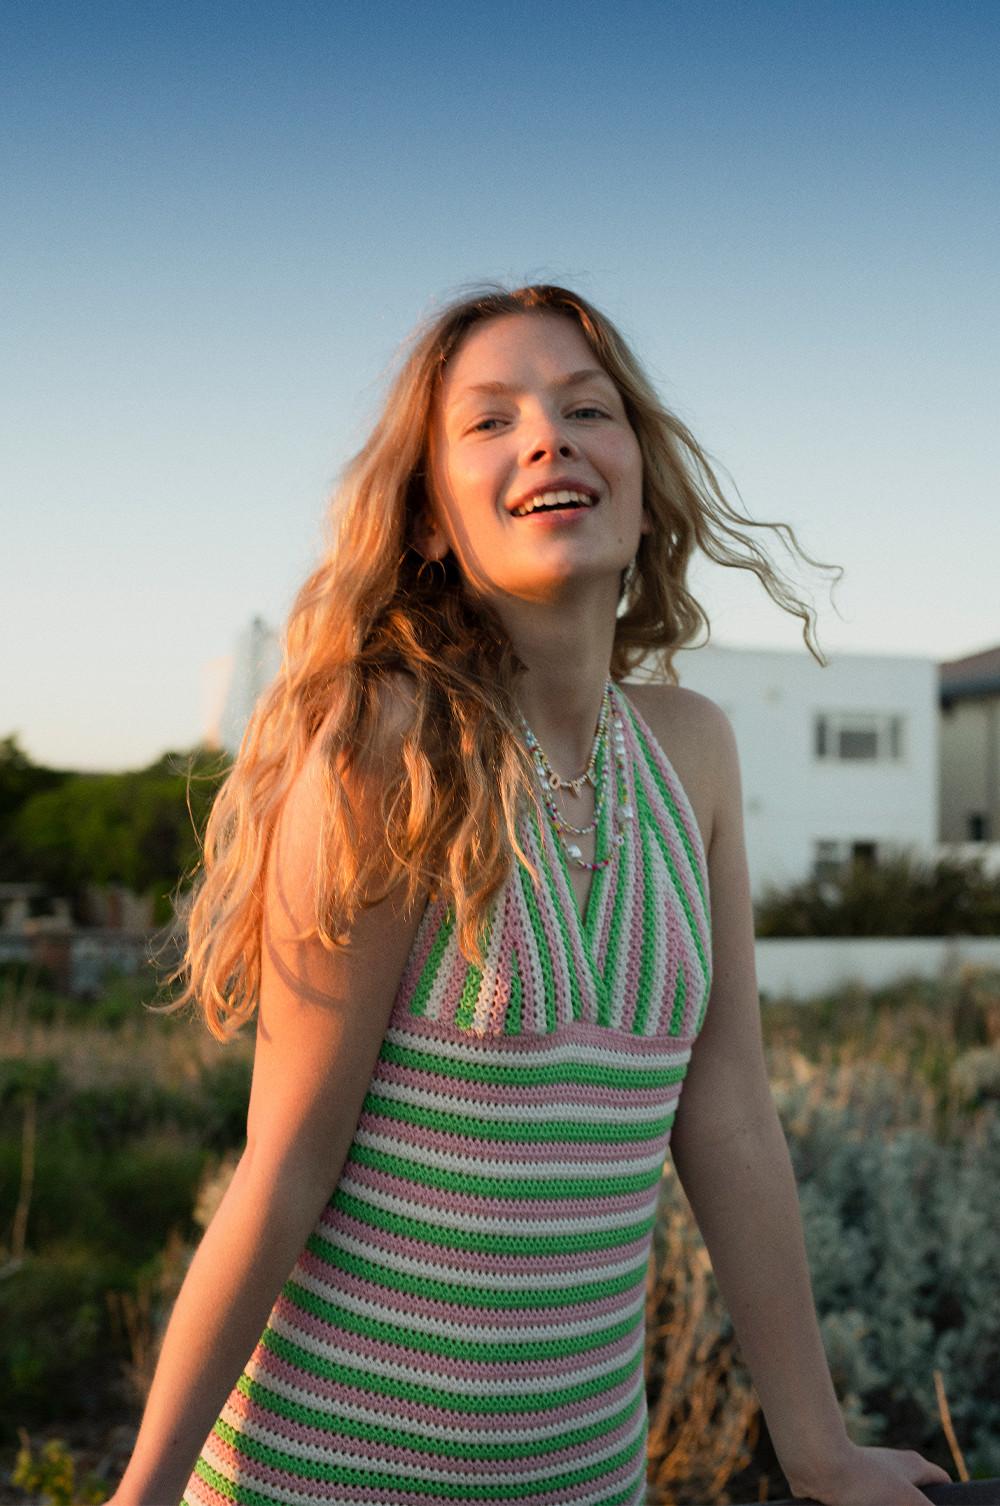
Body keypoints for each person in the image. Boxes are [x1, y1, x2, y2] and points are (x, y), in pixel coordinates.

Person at [109, 284, 951, 1506]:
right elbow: (282, 1168)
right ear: (432, 520)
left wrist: (815, 1448)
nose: (546, 437)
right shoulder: (383, 749)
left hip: (583, 1481)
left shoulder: (695, 749)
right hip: (324, 1477)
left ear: (641, 473)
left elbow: (726, 1118)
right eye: (489, 421)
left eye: (585, 407)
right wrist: (142, 1494)